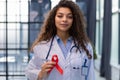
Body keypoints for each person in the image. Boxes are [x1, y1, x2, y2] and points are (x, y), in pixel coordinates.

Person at [25, 0, 95, 80]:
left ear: (74, 20)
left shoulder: (85, 47)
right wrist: (41, 73)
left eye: (69, 17)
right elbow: (29, 71)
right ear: (53, 19)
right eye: (60, 16)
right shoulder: (42, 46)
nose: (64, 19)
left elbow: (90, 76)